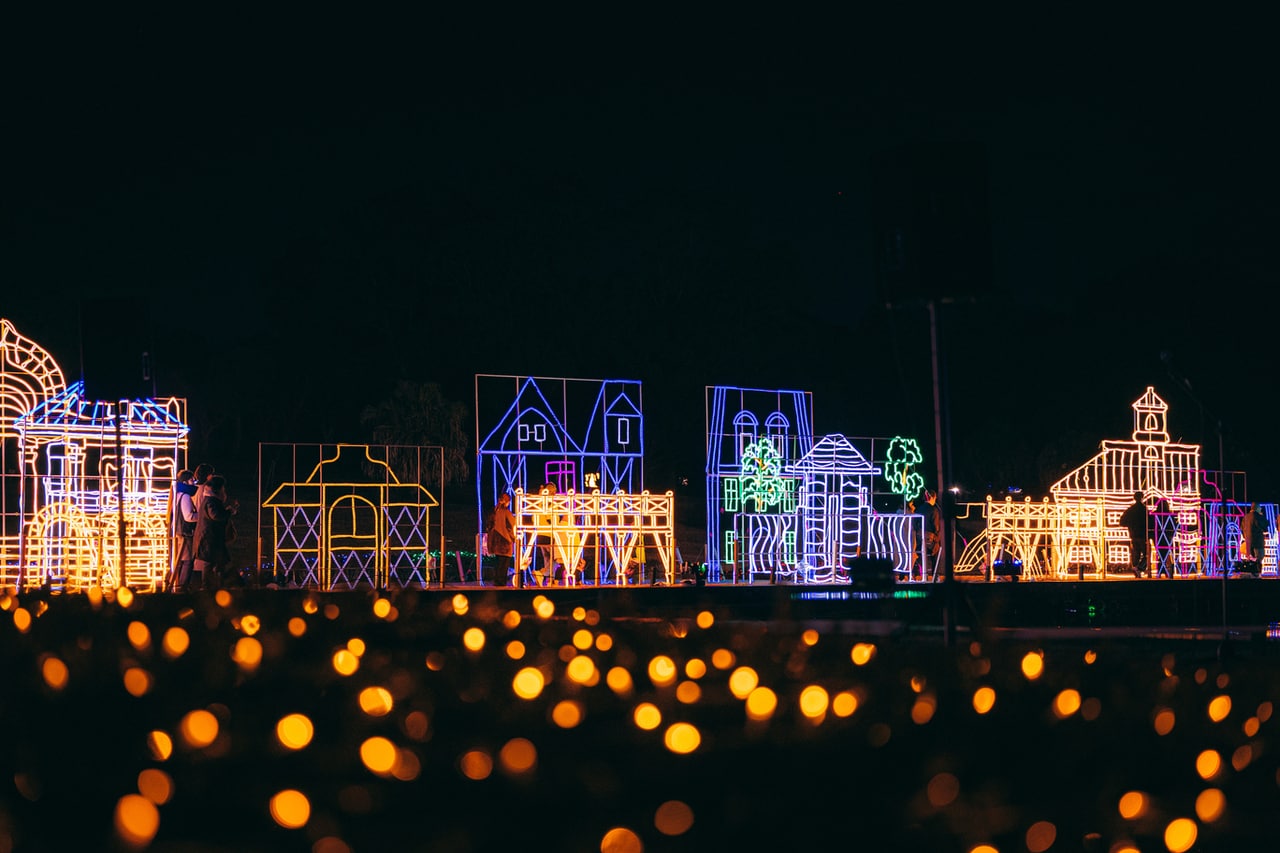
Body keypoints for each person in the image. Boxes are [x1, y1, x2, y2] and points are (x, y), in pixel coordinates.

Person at [194, 474, 239, 590]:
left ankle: (211, 587)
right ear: (217, 489)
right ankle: (209, 588)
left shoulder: (209, 499)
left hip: (211, 537)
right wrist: (229, 512)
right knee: (212, 563)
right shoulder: (211, 501)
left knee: (214, 563)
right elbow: (216, 515)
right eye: (223, 488)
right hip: (211, 538)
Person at [168, 469, 198, 592]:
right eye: (192, 480)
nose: (194, 482)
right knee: (187, 561)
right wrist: (201, 516)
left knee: (180, 561)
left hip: (177, 532)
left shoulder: (177, 495)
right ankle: (182, 587)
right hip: (185, 533)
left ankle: (175, 585)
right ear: (186, 481)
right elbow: (189, 516)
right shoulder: (185, 496)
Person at [486, 492, 516, 587]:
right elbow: (512, 525)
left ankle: (497, 581)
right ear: (507, 501)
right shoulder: (506, 512)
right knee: (504, 564)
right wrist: (513, 538)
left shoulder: (494, 511)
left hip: (495, 541)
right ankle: (501, 582)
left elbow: (489, 525)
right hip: (505, 541)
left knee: (498, 562)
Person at [1120, 491, 1149, 578]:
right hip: (1142, 534)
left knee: (1136, 553)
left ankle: (1136, 568)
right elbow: (1149, 521)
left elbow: (1122, 521)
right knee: (1146, 554)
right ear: (1142, 498)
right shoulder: (1144, 509)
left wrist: (1131, 525)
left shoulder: (1131, 510)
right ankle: (1139, 568)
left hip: (1133, 534)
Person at [1239, 501, 1266, 574]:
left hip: (1248, 544)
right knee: (1258, 561)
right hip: (1258, 543)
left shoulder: (1246, 517)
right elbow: (1265, 526)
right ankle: (1258, 576)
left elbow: (1241, 529)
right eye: (1260, 508)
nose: (1260, 509)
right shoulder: (1258, 517)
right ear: (1257, 508)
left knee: (1251, 561)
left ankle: (1251, 577)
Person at [922, 489, 943, 579]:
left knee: (922, 555)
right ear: (932, 498)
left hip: (919, 538)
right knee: (936, 552)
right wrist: (938, 539)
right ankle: (935, 575)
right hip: (930, 538)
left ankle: (924, 574)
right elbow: (936, 527)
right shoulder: (934, 510)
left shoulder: (919, 508)